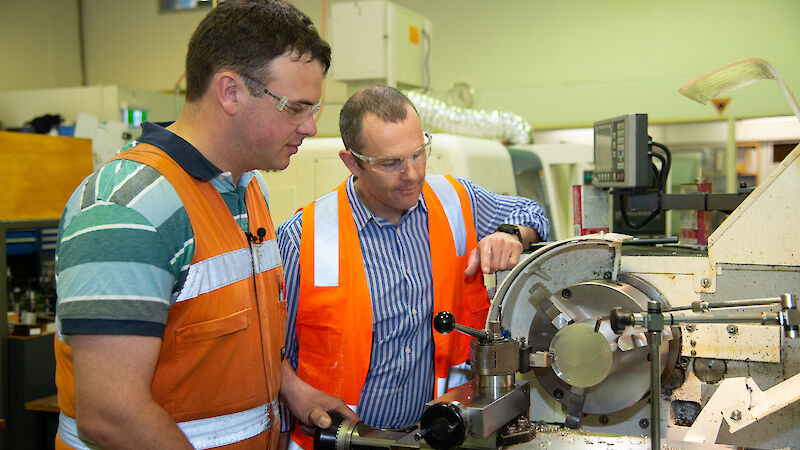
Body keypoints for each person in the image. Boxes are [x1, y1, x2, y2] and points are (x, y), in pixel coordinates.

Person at [53, 1, 357, 449]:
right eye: (295, 107)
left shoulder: (247, 190)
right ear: (230, 92)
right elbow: (111, 414)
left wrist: (291, 388)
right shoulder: (128, 209)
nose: (310, 127)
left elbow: (231, 339)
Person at [276, 85, 550, 448]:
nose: (412, 174)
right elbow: (273, 355)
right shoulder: (302, 239)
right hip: (344, 439)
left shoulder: (454, 199)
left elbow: (532, 212)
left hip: (438, 436)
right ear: (352, 162)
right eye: (391, 163)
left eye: (419, 154)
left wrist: (510, 234)